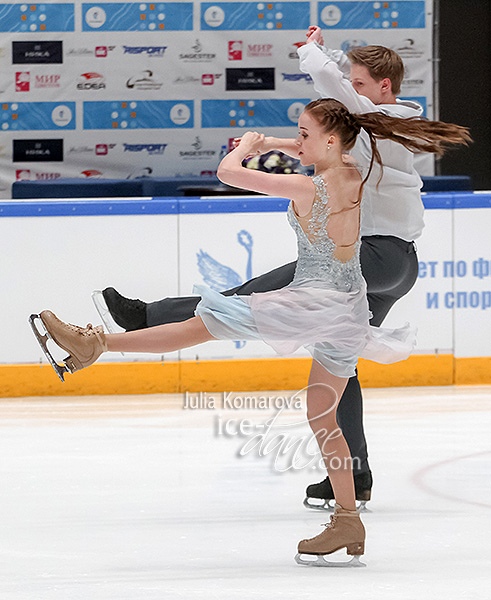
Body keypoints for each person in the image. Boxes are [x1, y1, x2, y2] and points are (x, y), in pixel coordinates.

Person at [32, 99, 470, 565]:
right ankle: (347, 520)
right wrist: (279, 142)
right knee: (323, 416)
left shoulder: (310, 187)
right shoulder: (353, 170)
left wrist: (246, 147)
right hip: (346, 310)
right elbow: (324, 142)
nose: (296, 141)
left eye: (303, 133)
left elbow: (228, 173)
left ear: (328, 140)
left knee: (206, 322)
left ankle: (95, 343)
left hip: (311, 301)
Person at [97, 30, 430, 510]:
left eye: (360, 84)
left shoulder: (390, 119)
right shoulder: (373, 131)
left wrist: (314, 55)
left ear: (385, 86)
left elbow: (338, 111)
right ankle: (354, 477)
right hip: (395, 264)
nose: (352, 92)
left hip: (370, 257)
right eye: (351, 83)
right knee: (340, 362)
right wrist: (266, 142)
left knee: (242, 298)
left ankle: (148, 318)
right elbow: (329, 141)